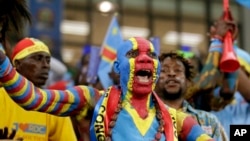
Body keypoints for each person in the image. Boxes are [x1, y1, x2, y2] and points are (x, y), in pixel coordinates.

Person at [0, 37, 215, 141]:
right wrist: (2, 62)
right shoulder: (92, 98)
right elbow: (33, 98)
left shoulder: (176, 118)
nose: (144, 59)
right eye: (132, 54)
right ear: (117, 68)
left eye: (152, 55)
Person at [0, 37, 77, 140]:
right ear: (18, 64)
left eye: (48, 60)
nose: (46, 65)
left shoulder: (54, 104)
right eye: (38, 58)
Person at [155, 52, 228, 141]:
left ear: (188, 82)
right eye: (163, 70)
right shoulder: (147, 119)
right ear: (154, 81)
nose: (171, 74)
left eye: (178, 70)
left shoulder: (208, 121)